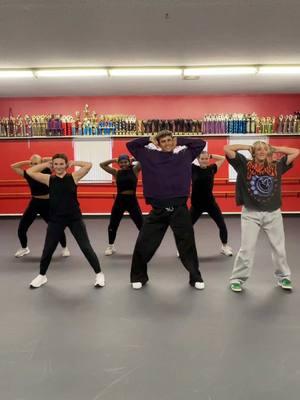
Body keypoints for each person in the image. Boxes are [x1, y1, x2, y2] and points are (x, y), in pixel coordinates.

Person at [126, 130, 206, 290]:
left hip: (180, 210)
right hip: (158, 210)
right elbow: (131, 145)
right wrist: (149, 138)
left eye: (170, 140)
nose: (168, 143)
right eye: (164, 141)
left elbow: (200, 143)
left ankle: (195, 277)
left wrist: (180, 140)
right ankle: (138, 277)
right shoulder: (148, 156)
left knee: (188, 245)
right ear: (158, 144)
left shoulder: (184, 155)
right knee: (144, 243)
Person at [224, 141, 299, 292]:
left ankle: (284, 277)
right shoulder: (243, 164)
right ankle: (237, 279)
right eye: (258, 149)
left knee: (279, 249)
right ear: (254, 152)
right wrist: (247, 147)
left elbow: (295, 152)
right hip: (251, 214)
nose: (262, 151)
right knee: (246, 249)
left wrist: (275, 148)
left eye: (264, 149)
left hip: (273, 213)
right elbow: (227, 148)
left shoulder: (276, 166)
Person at [26, 153, 105, 289]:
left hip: (74, 218)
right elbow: (29, 171)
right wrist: (45, 164)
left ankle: (99, 274)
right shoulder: (48, 179)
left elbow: (88, 165)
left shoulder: (74, 177)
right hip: (56, 219)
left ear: (65, 165)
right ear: (53, 165)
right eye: (55, 164)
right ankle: (42, 276)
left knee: (85, 247)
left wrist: (74, 163)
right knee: (48, 249)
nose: (58, 166)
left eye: (61, 164)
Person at [11, 154, 69, 258]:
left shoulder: (47, 171)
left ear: (41, 164)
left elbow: (55, 160)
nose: (33, 165)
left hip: (48, 203)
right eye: (32, 164)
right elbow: (13, 166)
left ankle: (64, 248)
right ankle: (24, 248)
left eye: (36, 164)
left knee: (57, 228)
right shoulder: (28, 174)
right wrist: (27, 162)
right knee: (21, 228)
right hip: (34, 203)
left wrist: (43, 160)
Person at [190, 151, 233, 256]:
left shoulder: (212, 169)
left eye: (206, 159)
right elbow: (184, 160)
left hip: (210, 203)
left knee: (222, 225)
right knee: (186, 227)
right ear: (198, 160)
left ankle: (225, 246)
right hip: (196, 204)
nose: (204, 161)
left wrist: (211, 155)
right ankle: (183, 248)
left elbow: (222, 158)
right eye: (202, 159)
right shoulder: (193, 168)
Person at [100, 154, 143, 256]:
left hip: (132, 200)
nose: (123, 164)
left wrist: (134, 158)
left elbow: (143, 158)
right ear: (118, 163)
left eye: (125, 162)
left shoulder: (135, 170)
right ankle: (111, 246)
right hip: (120, 200)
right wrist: (114, 160)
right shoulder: (116, 172)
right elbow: (102, 165)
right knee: (113, 224)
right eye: (121, 162)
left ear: (129, 162)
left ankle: (145, 246)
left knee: (141, 224)